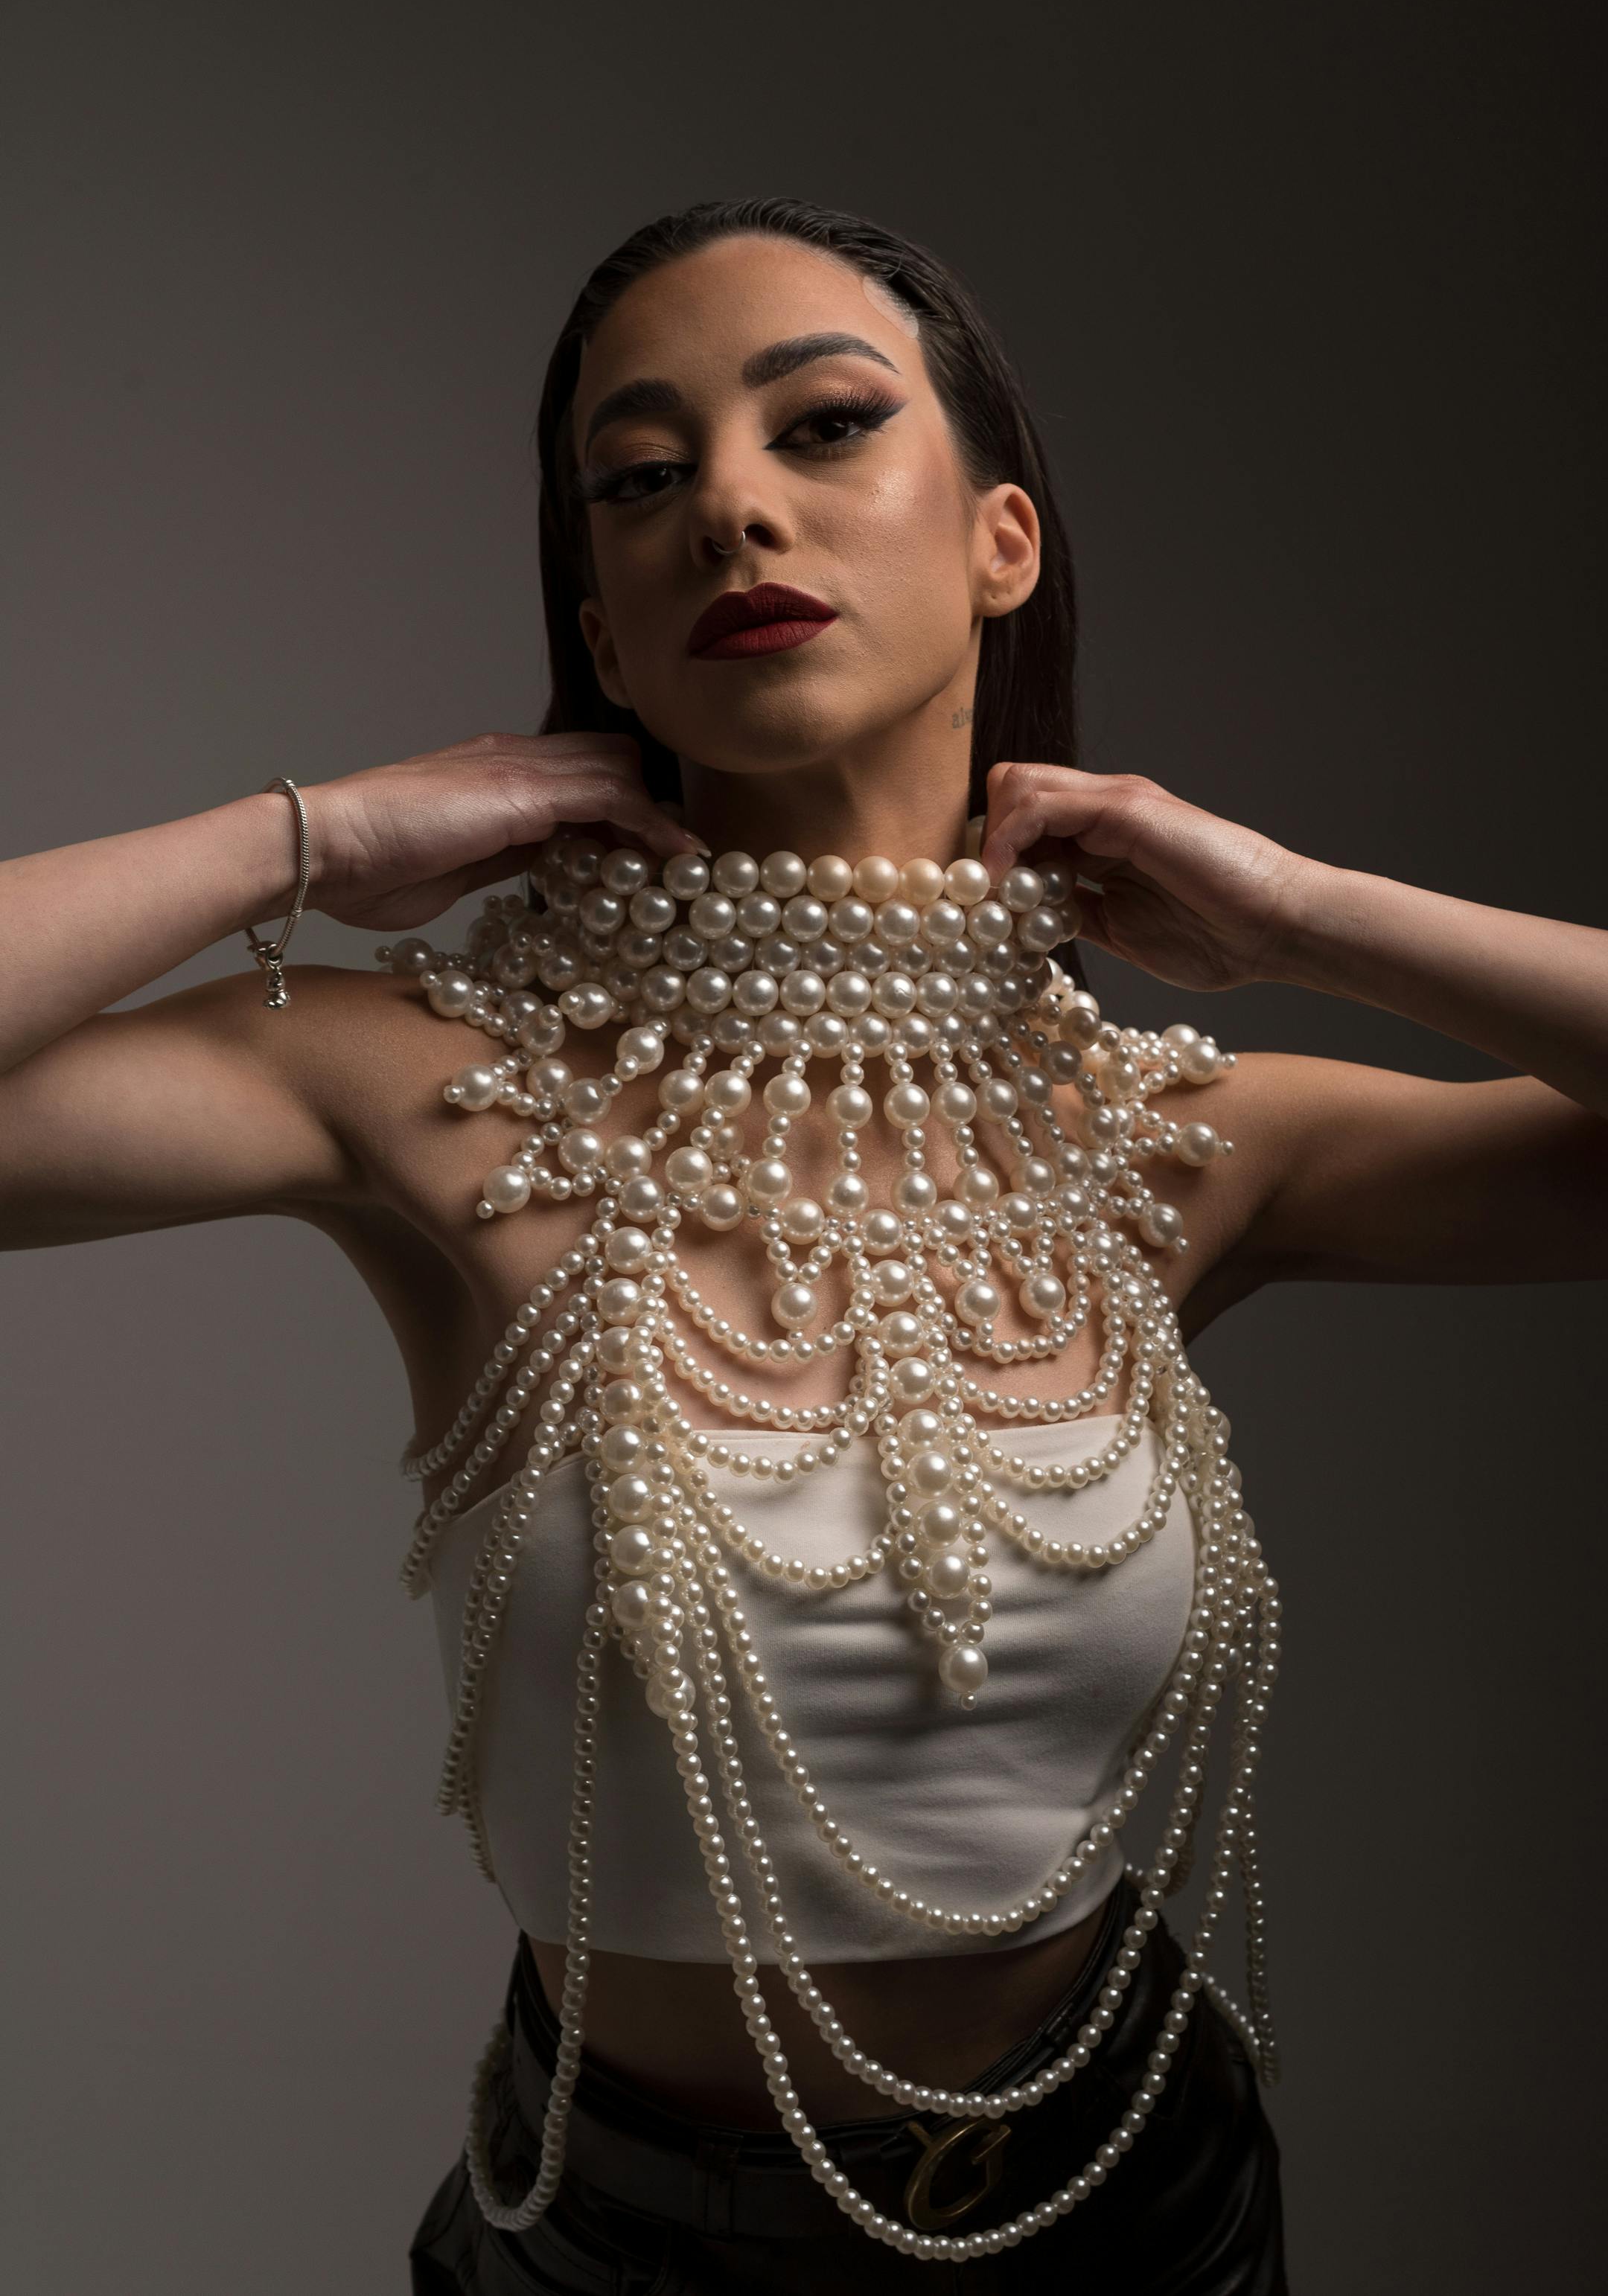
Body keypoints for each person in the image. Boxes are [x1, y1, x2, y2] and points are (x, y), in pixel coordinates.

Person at [3, 197, 1604, 2294]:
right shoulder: (433, 1079)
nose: (732, 511)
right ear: (600, 598)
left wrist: (1305, 914)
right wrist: (304, 837)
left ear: (1001, 541)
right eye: (644, 475)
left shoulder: (1163, 1135)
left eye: (824, 428)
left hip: (1142, 2205)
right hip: (613, 2241)